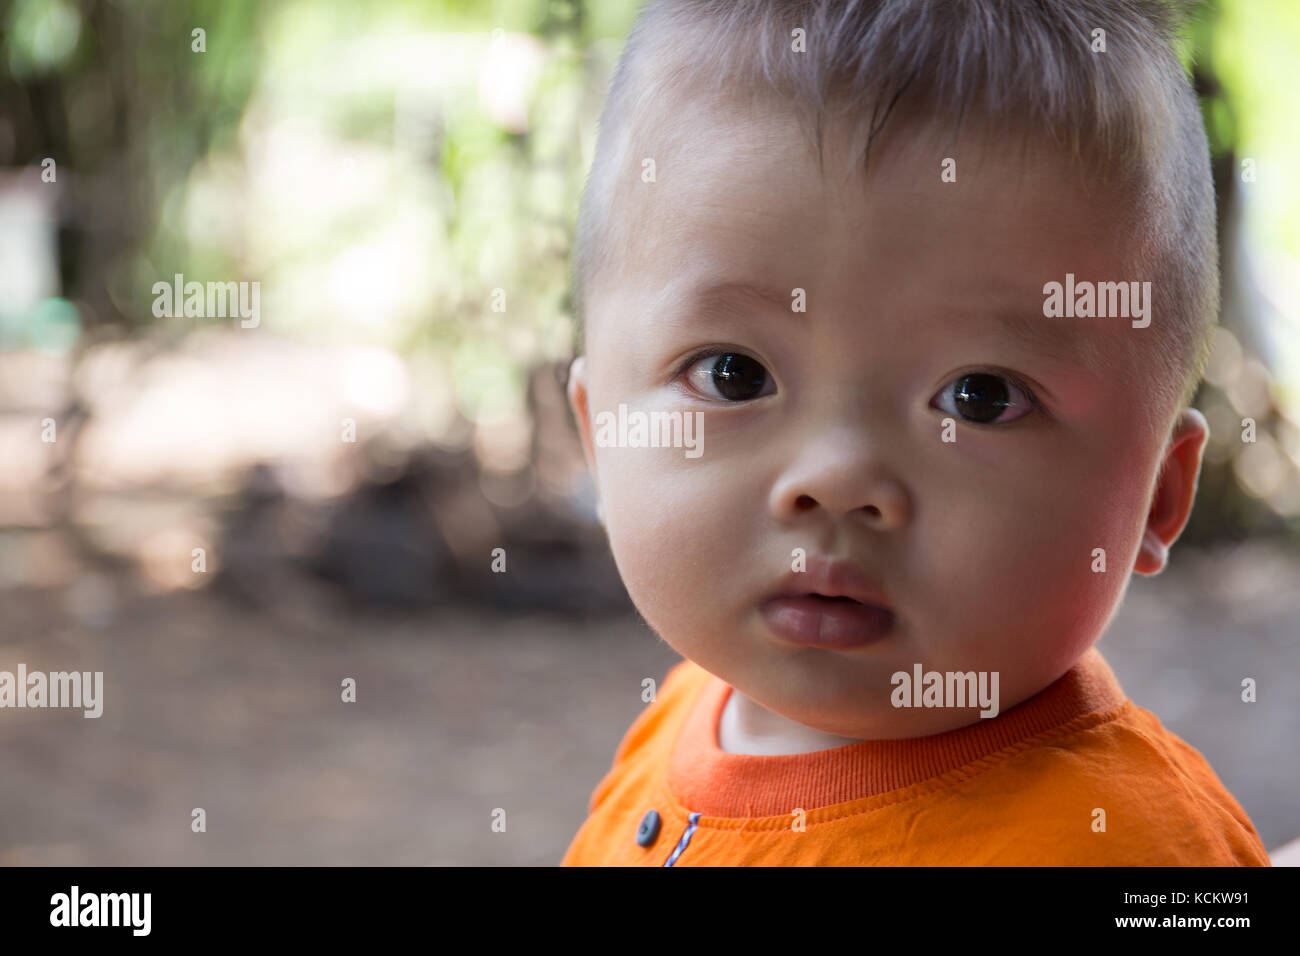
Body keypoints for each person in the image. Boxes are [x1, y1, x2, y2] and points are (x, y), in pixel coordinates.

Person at [560, 0, 1269, 865]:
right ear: (599, 436)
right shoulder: (677, 725)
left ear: (1159, 495)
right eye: (732, 375)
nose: (837, 479)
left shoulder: (1122, 846)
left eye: (978, 397)